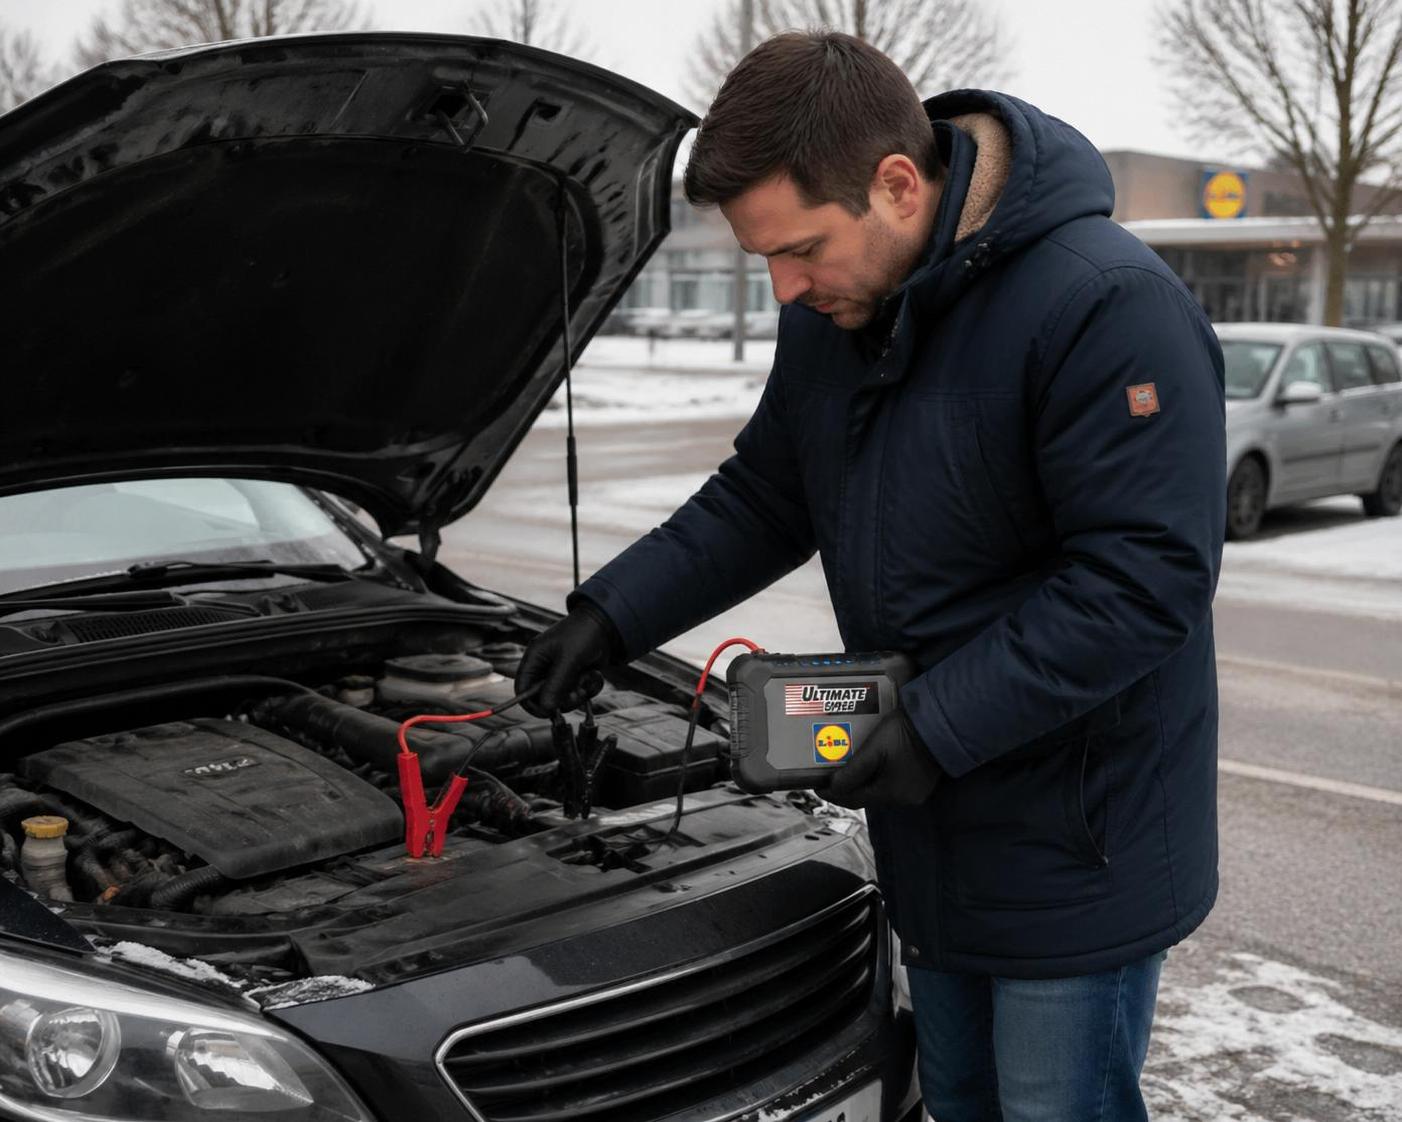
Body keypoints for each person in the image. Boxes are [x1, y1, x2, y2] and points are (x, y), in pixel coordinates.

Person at [517, 30, 1225, 1122]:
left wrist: (935, 724)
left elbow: (1143, 581)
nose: (785, 288)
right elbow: (764, 496)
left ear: (898, 185)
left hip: (1078, 841)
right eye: (764, 260)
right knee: (956, 1102)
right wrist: (611, 615)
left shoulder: (1104, 304)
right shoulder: (838, 316)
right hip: (930, 827)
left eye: (800, 249)